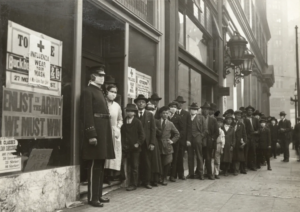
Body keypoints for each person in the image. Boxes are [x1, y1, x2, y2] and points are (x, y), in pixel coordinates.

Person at [81, 66, 115, 207]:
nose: (103, 77)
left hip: (103, 132)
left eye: (103, 75)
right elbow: (87, 114)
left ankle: (98, 195)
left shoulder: (99, 91)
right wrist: (91, 134)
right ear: (92, 76)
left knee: (100, 165)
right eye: (100, 75)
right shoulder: (88, 91)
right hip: (96, 133)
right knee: (94, 165)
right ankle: (92, 198)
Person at [121, 104, 145, 191]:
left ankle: (134, 184)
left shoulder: (137, 122)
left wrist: (138, 143)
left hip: (135, 148)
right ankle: (123, 180)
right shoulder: (124, 121)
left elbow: (142, 135)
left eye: (131, 111)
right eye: (127, 111)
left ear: (134, 113)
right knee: (122, 163)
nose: (129, 112)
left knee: (134, 166)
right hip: (125, 147)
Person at [134, 94, 156, 189]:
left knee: (146, 162)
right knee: (136, 162)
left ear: (146, 104)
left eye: (143, 102)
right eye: (139, 102)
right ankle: (136, 182)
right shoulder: (134, 114)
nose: (141, 104)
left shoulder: (149, 115)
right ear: (136, 104)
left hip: (147, 143)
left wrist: (152, 143)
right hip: (136, 143)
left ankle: (147, 182)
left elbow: (153, 130)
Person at [155, 106, 180, 185]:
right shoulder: (156, 122)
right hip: (158, 145)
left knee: (168, 162)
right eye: (163, 113)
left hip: (167, 145)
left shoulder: (170, 123)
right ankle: (159, 177)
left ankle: (164, 177)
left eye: (166, 113)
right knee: (159, 162)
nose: (165, 115)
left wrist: (172, 141)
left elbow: (177, 134)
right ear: (160, 114)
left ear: (169, 114)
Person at [104, 85, 123, 184]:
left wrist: (118, 127)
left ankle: (110, 174)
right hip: (104, 131)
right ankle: (103, 175)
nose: (113, 94)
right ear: (107, 91)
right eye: (111, 91)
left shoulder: (117, 106)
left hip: (114, 131)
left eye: (115, 92)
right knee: (104, 153)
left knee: (113, 153)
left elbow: (120, 119)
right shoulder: (103, 103)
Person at [201, 102, 219, 180]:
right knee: (200, 158)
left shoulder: (213, 120)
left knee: (208, 158)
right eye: (204, 109)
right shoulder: (199, 118)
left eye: (207, 109)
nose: (205, 111)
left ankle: (209, 174)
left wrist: (212, 139)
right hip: (201, 141)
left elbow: (217, 132)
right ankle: (200, 173)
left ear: (209, 111)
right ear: (202, 110)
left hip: (209, 142)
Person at [145, 103, 163, 187]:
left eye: (152, 110)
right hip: (146, 142)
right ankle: (147, 179)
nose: (150, 112)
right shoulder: (145, 118)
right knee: (147, 162)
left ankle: (155, 179)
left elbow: (160, 133)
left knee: (155, 162)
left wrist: (155, 128)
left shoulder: (156, 121)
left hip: (154, 142)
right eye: (149, 110)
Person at [174, 96, 191, 179]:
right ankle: (173, 174)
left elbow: (188, 127)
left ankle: (181, 174)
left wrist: (188, 139)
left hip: (182, 139)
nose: (180, 104)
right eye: (178, 103)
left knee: (181, 156)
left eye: (181, 103)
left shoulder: (186, 114)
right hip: (173, 138)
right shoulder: (172, 112)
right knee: (174, 156)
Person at [187, 102, 205, 180]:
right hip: (189, 139)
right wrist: (187, 139)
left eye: (195, 109)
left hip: (197, 138)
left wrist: (200, 137)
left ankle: (201, 173)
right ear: (190, 110)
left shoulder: (201, 118)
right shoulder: (187, 118)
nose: (193, 110)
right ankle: (191, 174)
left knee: (199, 156)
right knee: (190, 157)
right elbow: (186, 129)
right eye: (192, 109)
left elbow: (205, 130)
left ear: (197, 110)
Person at [168, 101, 184, 182]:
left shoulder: (178, 117)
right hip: (167, 140)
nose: (173, 108)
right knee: (167, 158)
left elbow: (181, 130)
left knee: (174, 158)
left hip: (175, 141)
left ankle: (173, 175)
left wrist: (175, 139)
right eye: (171, 106)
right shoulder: (166, 116)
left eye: (174, 107)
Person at [244, 105, 260, 171]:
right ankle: (245, 167)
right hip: (247, 137)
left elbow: (259, 129)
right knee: (246, 152)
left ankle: (253, 166)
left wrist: (256, 132)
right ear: (246, 111)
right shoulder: (244, 119)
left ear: (252, 112)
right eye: (248, 110)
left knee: (253, 152)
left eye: (251, 110)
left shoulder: (255, 119)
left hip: (253, 137)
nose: (249, 112)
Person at [232, 110, 247, 175]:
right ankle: (231, 169)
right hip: (232, 141)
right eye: (237, 115)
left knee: (238, 157)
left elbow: (244, 134)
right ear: (234, 115)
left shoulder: (241, 124)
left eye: (240, 115)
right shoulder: (232, 123)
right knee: (232, 156)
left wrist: (244, 142)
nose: (238, 116)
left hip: (239, 142)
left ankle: (236, 170)